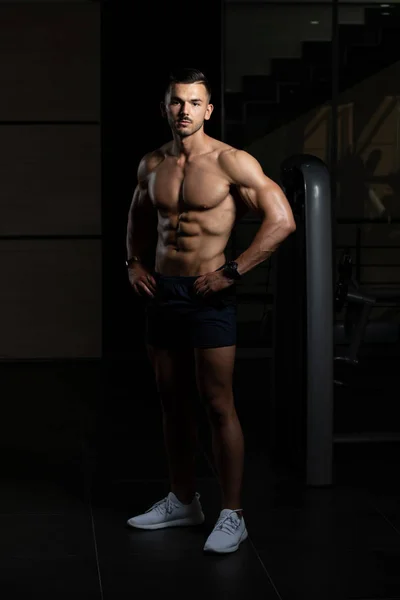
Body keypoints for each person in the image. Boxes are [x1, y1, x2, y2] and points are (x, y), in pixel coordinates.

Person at [125, 68, 296, 554]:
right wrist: (133, 262)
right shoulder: (152, 163)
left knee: (218, 402)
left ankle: (233, 513)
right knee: (171, 400)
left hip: (209, 292)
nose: (184, 110)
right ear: (165, 108)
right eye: (176, 102)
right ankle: (184, 500)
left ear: (208, 110)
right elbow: (138, 214)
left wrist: (232, 272)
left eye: (194, 102)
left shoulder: (231, 162)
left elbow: (281, 220)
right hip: (162, 291)